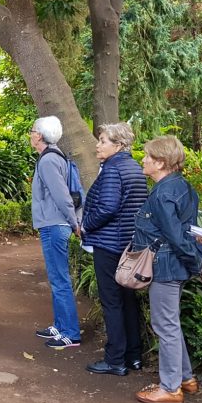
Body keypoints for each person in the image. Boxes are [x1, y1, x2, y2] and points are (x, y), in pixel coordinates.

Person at [129, 136, 202, 403]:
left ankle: (171, 388)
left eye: (148, 156)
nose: (143, 160)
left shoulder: (162, 193)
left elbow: (176, 236)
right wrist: (198, 261)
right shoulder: (183, 187)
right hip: (176, 265)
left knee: (164, 325)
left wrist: (196, 263)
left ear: (161, 162)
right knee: (170, 323)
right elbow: (191, 233)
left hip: (165, 266)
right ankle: (185, 378)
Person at [82, 122, 149, 376]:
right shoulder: (133, 166)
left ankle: (115, 360)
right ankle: (133, 356)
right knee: (127, 300)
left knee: (112, 302)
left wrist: (86, 224)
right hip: (128, 243)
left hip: (110, 244)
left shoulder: (112, 169)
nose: (97, 145)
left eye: (102, 141)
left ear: (118, 145)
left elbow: (108, 207)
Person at [29, 115, 82, 350]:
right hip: (54, 223)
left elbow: (61, 195)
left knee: (60, 279)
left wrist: (74, 222)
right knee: (56, 278)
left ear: (39, 135)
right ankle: (60, 325)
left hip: (54, 224)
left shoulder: (49, 160)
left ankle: (70, 332)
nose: (30, 135)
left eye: (32, 131)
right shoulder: (54, 156)